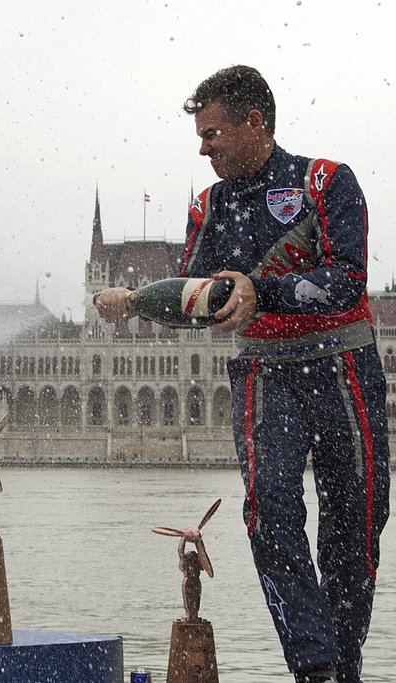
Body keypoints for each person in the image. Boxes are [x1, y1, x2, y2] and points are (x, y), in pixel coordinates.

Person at [95, 65, 389, 683]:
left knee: (356, 524)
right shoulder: (210, 205)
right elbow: (198, 299)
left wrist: (264, 289)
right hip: (264, 376)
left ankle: (346, 665)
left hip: (342, 367)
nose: (202, 148)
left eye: (213, 133)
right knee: (271, 516)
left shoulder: (327, 183)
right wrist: (136, 302)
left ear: (255, 123)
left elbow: (348, 280)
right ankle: (315, 668)